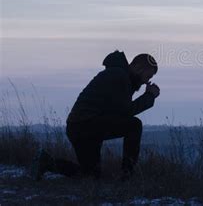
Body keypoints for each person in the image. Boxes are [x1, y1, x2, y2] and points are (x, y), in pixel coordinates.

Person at [30, 50, 161, 181]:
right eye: (147, 76)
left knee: (90, 175)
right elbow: (125, 112)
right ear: (138, 68)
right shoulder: (119, 76)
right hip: (86, 126)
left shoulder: (120, 75)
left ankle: (46, 162)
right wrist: (149, 96)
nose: (146, 82)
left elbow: (118, 110)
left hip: (81, 127)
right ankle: (127, 175)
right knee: (134, 125)